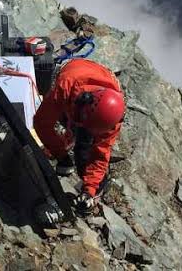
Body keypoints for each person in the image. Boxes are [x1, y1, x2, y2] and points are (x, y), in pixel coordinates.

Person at [33, 58, 125, 222]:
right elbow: (42, 123)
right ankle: (67, 155)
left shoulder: (111, 119)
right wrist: (61, 155)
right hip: (75, 71)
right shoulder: (65, 86)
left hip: (95, 82)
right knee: (70, 128)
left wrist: (89, 190)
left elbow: (100, 154)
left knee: (84, 151)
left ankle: (96, 188)